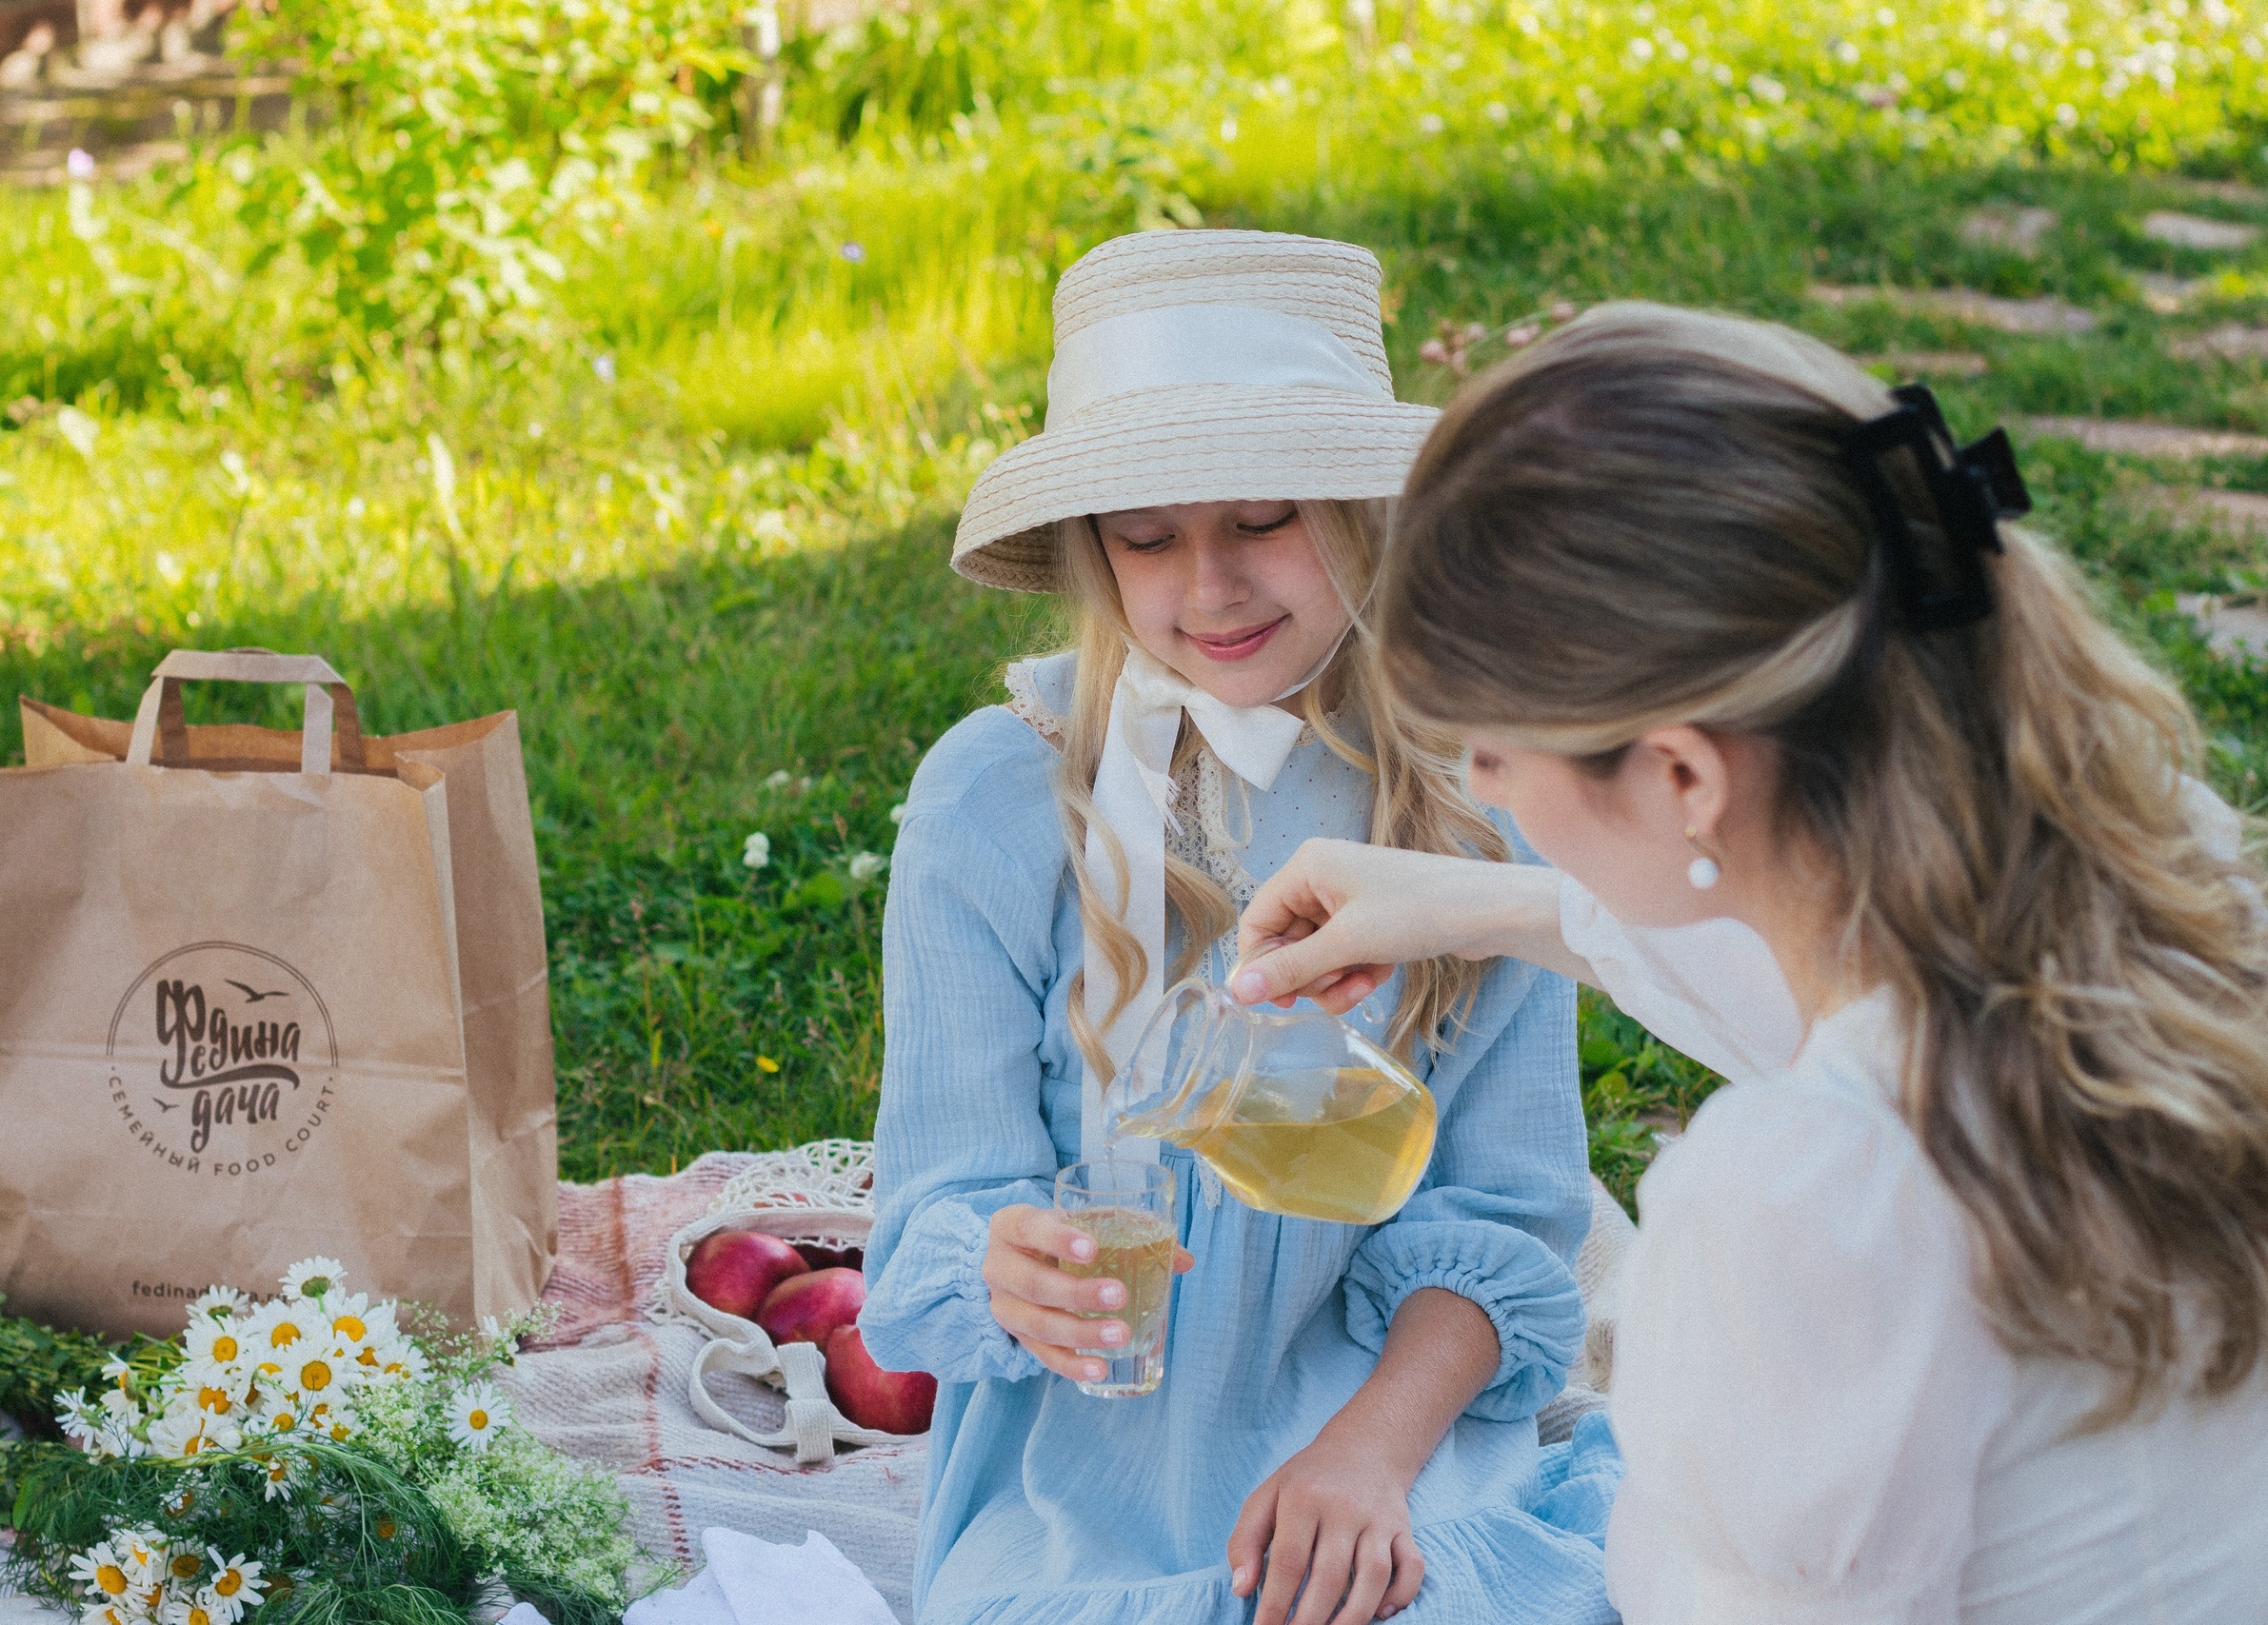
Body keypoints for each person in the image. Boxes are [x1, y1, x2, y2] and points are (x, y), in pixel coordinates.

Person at [1229, 302, 2268, 1623]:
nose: (1477, 781)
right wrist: (1467, 899)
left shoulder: (1812, 1204)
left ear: (1680, 774)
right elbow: (1757, 959)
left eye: (1492, 750)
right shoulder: (2160, 888)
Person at [857, 230, 1621, 1625]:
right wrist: (1006, 1266)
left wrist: (1370, 1457)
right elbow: (930, 1212)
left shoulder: (1476, 794)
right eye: (1146, 538)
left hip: (1382, 1434)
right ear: (1090, 549)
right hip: (1082, 1475)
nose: (1207, 588)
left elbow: (1504, 1215)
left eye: (1264, 518)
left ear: (1361, 512)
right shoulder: (996, 796)